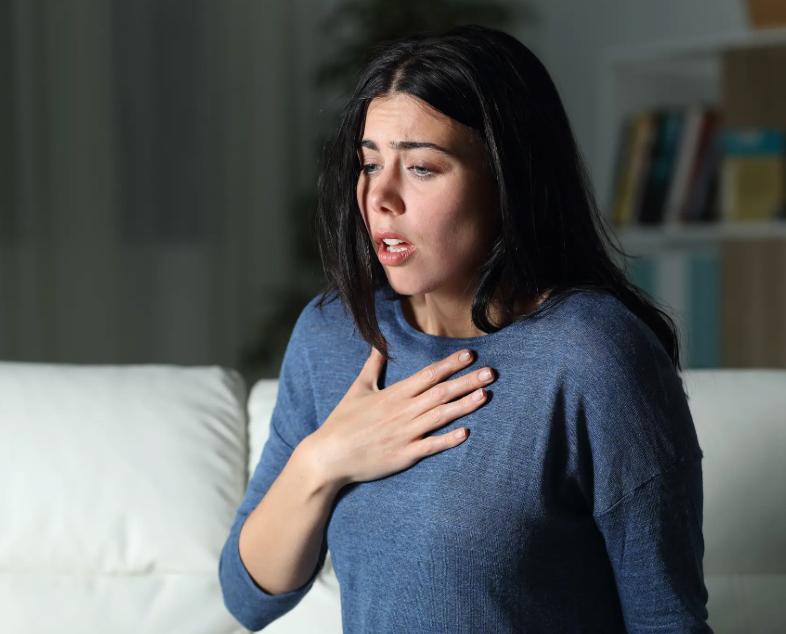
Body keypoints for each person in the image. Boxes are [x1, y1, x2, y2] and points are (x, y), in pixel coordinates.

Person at [218, 24, 713, 633]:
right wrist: (326, 458)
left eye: (423, 168)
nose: (381, 198)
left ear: (508, 179)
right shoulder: (335, 333)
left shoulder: (595, 356)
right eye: (370, 164)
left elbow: (668, 624)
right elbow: (248, 598)